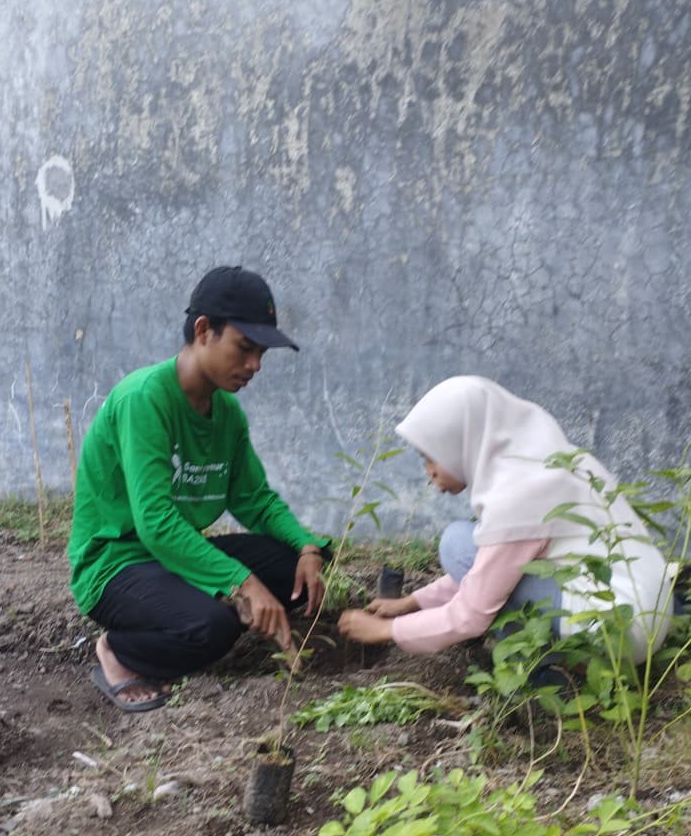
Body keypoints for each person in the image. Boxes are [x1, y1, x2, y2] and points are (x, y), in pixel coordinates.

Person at [68, 265, 329, 712]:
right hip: (116, 566)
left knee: (292, 571)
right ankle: (119, 651)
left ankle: (235, 602)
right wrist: (241, 583)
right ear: (204, 330)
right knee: (212, 626)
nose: (255, 366)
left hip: (172, 559)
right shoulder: (144, 399)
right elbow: (155, 523)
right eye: (244, 348)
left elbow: (254, 498)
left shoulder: (226, 411)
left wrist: (307, 547)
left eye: (262, 353)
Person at [338, 376, 674, 665]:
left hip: (619, 631)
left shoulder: (517, 494)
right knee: (467, 547)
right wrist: (412, 603)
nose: (429, 472)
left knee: (457, 542)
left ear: (461, 440)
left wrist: (385, 631)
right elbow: (495, 568)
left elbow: (471, 613)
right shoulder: (543, 463)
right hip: (646, 615)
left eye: (430, 455)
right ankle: (573, 660)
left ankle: (542, 674)